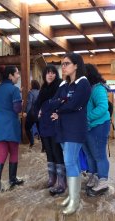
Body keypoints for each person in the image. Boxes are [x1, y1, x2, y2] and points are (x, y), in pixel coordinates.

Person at [49, 53, 91, 215]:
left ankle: (74, 201)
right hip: (62, 128)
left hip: (75, 128)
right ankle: (72, 196)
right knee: (71, 162)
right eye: (62, 64)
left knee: (69, 161)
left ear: (76, 65)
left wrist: (61, 106)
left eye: (66, 63)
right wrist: (61, 104)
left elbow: (75, 104)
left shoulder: (83, 83)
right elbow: (52, 102)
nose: (63, 67)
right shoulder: (63, 85)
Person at [0, 65, 24, 191]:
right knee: (13, 152)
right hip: (10, 124)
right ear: (10, 75)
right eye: (17, 73)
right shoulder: (14, 90)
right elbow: (17, 109)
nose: (18, 76)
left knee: (2, 153)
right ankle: (12, 179)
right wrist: (21, 103)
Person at [35, 65, 66, 195]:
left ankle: (61, 181)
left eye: (53, 73)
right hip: (44, 124)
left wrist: (59, 113)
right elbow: (37, 104)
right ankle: (51, 178)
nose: (50, 75)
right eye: (48, 73)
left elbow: (65, 102)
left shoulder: (60, 86)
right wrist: (37, 112)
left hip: (55, 124)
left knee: (56, 150)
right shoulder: (43, 88)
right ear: (44, 75)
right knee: (48, 151)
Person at [82, 64, 111, 197]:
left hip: (98, 125)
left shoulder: (98, 88)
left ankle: (103, 180)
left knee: (99, 154)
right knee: (89, 154)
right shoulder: (86, 88)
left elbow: (103, 107)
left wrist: (87, 117)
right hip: (87, 126)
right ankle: (94, 175)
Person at [23, 80, 40, 148]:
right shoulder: (40, 92)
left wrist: (25, 112)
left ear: (33, 85)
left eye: (30, 84)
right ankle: (44, 147)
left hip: (32, 114)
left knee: (27, 127)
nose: (29, 85)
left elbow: (29, 103)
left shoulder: (31, 93)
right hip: (39, 113)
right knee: (40, 130)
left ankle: (32, 142)